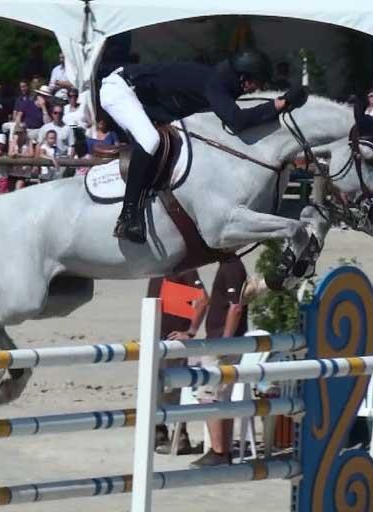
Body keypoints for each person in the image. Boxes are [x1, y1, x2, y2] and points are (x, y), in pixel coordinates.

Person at [99, 49, 302, 243]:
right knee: (150, 140)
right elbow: (237, 121)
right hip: (120, 89)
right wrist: (279, 104)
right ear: (244, 77)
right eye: (257, 83)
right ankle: (127, 217)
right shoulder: (215, 83)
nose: (257, 89)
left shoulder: (221, 82)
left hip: (145, 100)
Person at [190, 256, 249, 467]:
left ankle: (218, 451)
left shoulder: (232, 267)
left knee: (208, 395)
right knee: (222, 396)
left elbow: (236, 307)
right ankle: (224, 451)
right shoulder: (230, 265)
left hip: (222, 343)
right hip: (225, 341)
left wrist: (225, 340)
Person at [146, 270, 208, 455]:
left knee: (172, 389)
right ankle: (159, 432)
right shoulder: (158, 267)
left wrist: (190, 332)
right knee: (155, 388)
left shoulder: (184, 267)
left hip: (173, 339)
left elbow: (203, 298)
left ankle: (180, 436)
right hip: (156, 336)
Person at [9, 122, 35, 190]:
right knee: (11, 190)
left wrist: (19, 155)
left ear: (25, 132)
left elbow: (31, 154)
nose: (19, 134)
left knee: (19, 188)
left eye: (21, 132)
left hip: (24, 171)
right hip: (13, 170)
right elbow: (10, 153)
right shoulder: (13, 140)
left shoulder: (29, 141)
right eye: (17, 132)